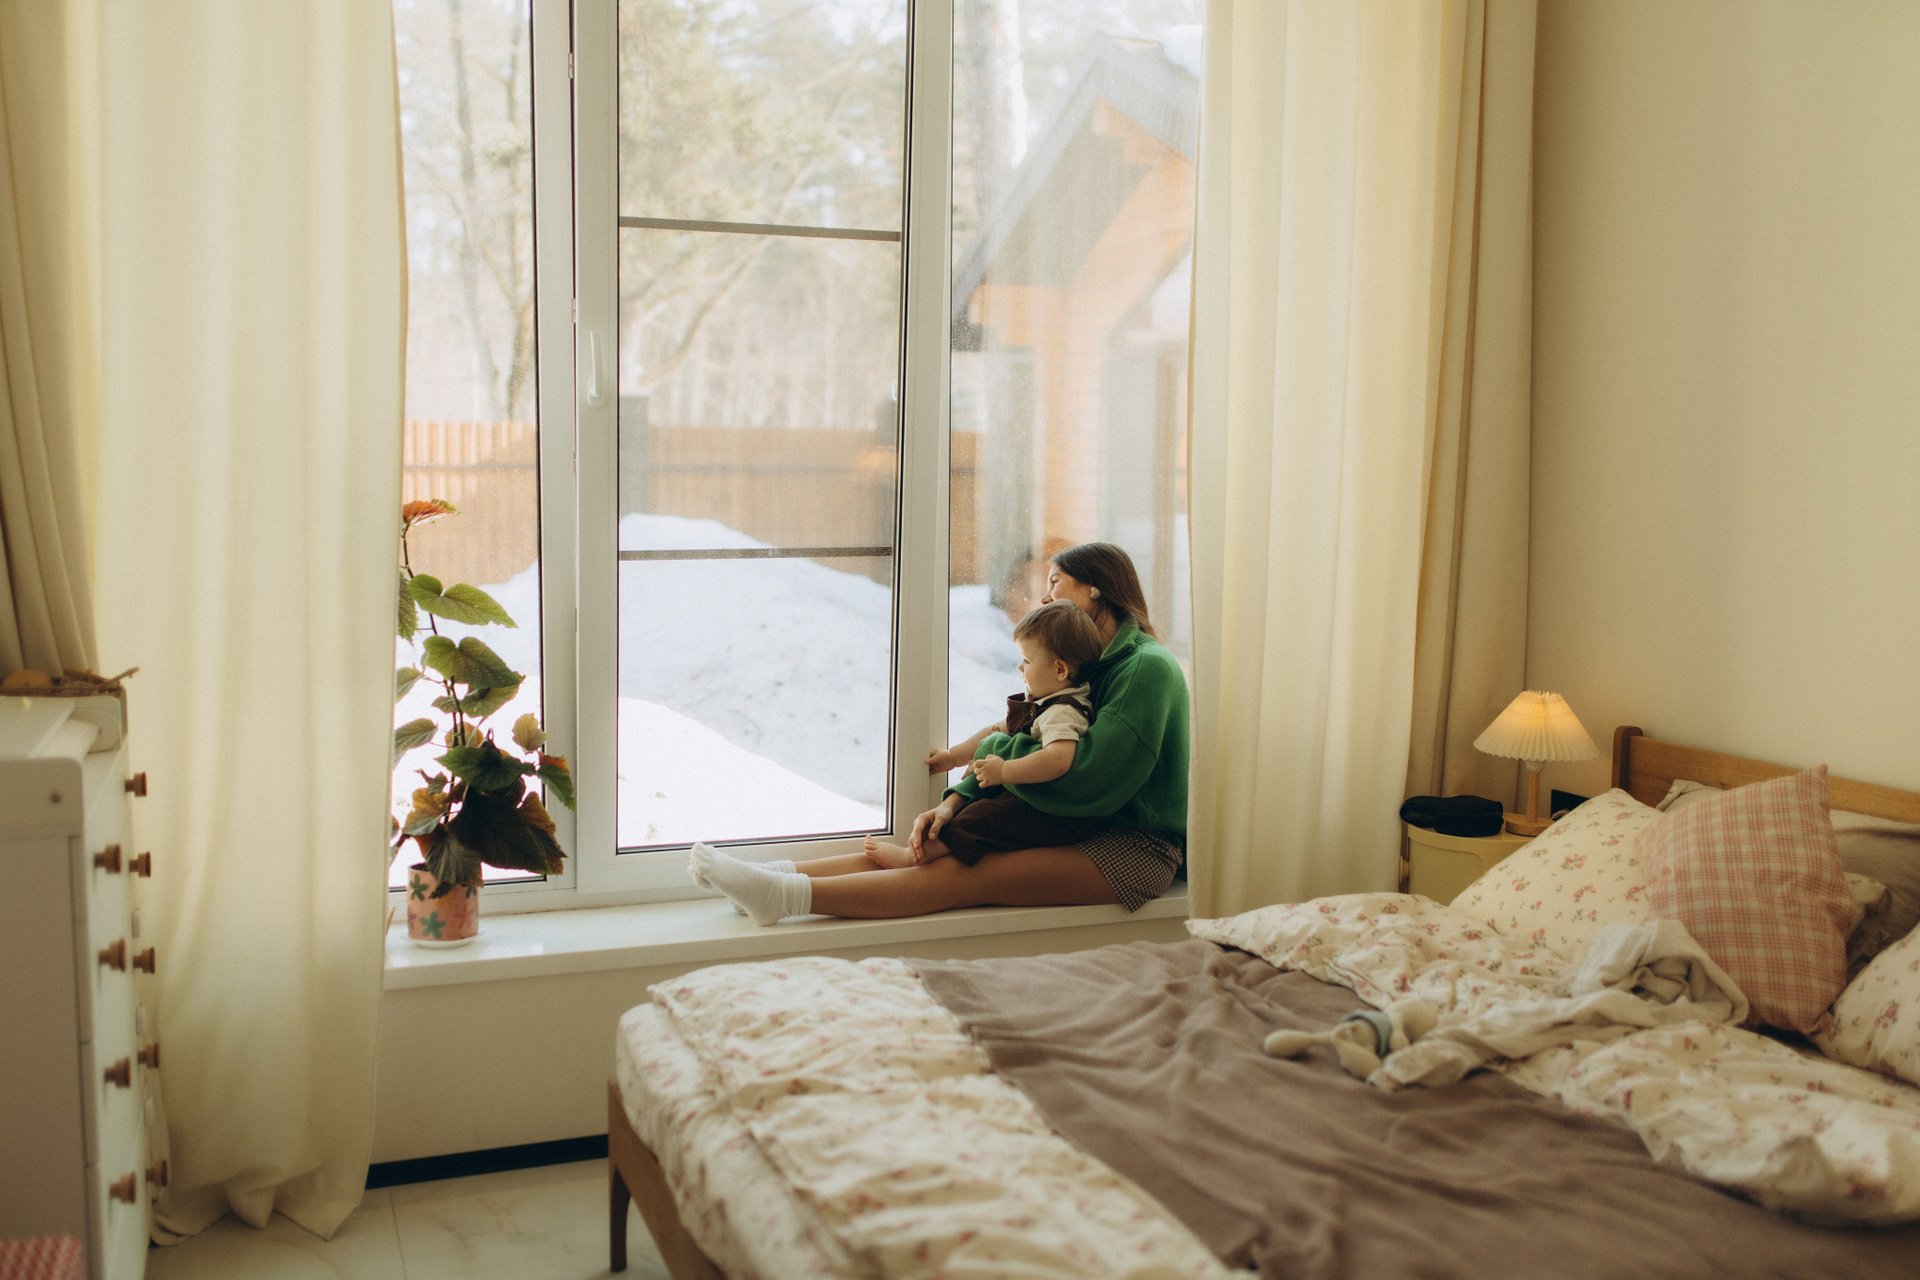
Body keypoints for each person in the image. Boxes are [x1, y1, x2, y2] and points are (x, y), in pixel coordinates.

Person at [689, 542, 1189, 925]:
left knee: (961, 872)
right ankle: (771, 878)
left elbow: (1086, 777)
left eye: (1055, 582)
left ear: (1094, 589)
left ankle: (780, 898)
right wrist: (955, 801)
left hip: (1135, 848)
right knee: (929, 847)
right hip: (1077, 822)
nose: (1044, 596)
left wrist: (993, 761)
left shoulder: (1145, 668)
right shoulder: (1090, 666)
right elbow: (1027, 738)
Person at [862, 599, 1108, 870]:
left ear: (1060, 670)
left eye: (1027, 661)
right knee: (981, 792)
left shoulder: (1064, 712)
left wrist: (1004, 771)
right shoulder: (1044, 702)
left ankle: (914, 857)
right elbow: (998, 729)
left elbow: (1059, 759)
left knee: (982, 817)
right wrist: (954, 756)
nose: (1020, 668)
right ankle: (942, 824)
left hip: (1052, 810)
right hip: (1033, 795)